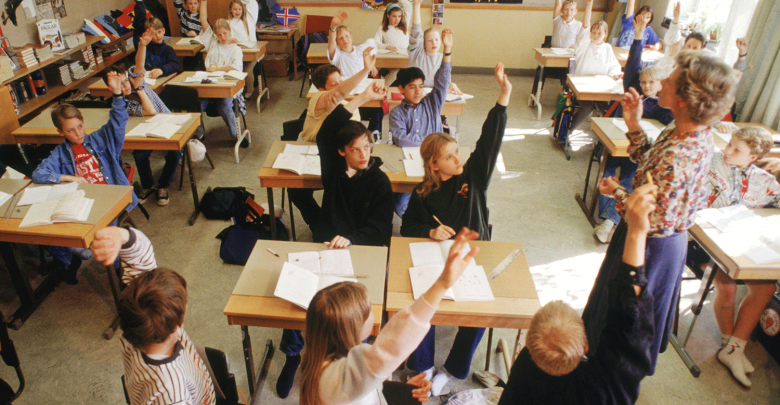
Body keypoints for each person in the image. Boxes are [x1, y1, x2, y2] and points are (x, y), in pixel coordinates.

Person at [584, 51, 739, 375]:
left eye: (670, 80)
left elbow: (649, 220)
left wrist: (618, 192)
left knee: (623, 325)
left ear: (683, 99)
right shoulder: (688, 130)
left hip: (650, 248)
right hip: (658, 240)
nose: (663, 81)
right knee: (618, 319)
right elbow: (652, 165)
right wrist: (633, 124)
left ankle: (604, 382)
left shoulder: (678, 153)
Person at [276, 82, 394, 398]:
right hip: (328, 245)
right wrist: (364, 97)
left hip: (362, 249)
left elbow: (380, 229)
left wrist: (351, 239)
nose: (363, 154)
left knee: (352, 311)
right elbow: (328, 129)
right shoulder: (335, 170)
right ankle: (292, 355)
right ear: (342, 151)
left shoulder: (380, 182)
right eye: (355, 149)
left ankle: (351, 357)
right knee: (301, 298)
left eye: (367, 147)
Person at [399, 63, 511, 395]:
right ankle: (422, 366)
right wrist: (429, 232)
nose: (458, 160)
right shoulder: (423, 192)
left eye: (457, 152)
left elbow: (489, 141)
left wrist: (503, 97)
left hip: (474, 257)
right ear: (434, 165)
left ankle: (451, 370)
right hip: (437, 260)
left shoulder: (473, 176)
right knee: (422, 302)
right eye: (449, 157)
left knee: (481, 314)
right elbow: (408, 226)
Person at [497, 183, 658, 405]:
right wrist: (637, 232)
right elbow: (628, 327)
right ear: (586, 347)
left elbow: (629, 331)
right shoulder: (602, 391)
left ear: (529, 343)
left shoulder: (526, 367)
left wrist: (635, 232)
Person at [299, 228, 480, 405]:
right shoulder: (337, 380)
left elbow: (363, 388)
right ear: (352, 328)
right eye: (369, 311)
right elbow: (392, 347)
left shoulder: (323, 363)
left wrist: (402, 390)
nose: (375, 312)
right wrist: (442, 284)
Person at [686, 127, 779, 387]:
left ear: (753, 157)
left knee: (767, 288)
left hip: (737, 243)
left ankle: (733, 349)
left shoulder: (763, 180)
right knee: (727, 287)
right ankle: (732, 348)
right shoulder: (710, 162)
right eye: (729, 144)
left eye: (737, 149)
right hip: (699, 243)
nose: (727, 151)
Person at [32, 72, 138, 284]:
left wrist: (117, 94)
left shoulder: (100, 138)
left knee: (108, 234)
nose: (78, 133)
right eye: (70, 131)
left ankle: (120, 273)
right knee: (41, 228)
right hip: (82, 202)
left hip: (109, 198)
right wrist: (67, 177)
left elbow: (118, 122)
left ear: (83, 122)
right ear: (61, 132)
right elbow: (38, 174)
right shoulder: (60, 153)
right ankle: (69, 259)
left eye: (79, 126)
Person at [593, 16, 674, 243]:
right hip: (613, 144)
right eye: (644, 82)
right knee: (608, 172)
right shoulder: (635, 90)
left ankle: (609, 222)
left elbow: (672, 121)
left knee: (630, 177)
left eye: (651, 83)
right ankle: (611, 219)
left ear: (661, 85)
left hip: (636, 152)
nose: (646, 86)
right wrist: (638, 36)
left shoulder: (662, 107)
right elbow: (632, 65)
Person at [289, 49, 377, 228]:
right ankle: (317, 223)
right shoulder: (317, 99)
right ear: (322, 89)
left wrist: (335, 114)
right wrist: (365, 71)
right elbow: (338, 94)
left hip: (334, 158)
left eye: (340, 81)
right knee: (295, 190)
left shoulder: (350, 108)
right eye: (333, 84)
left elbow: (351, 136)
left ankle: (331, 222)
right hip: (310, 154)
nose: (340, 86)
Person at [388, 29, 452, 217]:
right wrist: (430, 141)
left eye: (421, 87)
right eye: (412, 87)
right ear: (401, 89)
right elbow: (400, 138)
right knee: (400, 205)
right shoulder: (397, 113)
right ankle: (418, 224)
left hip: (435, 166)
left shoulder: (433, 102)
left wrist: (447, 50)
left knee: (442, 203)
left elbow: (443, 80)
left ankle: (428, 223)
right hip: (410, 166)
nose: (418, 92)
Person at [198, 0, 247, 148]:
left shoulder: (236, 49)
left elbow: (236, 68)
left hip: (226, 87)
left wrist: (217, 69)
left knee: (225, 105)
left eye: (225, 33)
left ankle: (235, 135)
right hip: (209, 85)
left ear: (230, 31)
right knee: (197, 104)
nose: (223, 37)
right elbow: (203, 20)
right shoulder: (212, 43)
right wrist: (203, 2)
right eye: (219, 35)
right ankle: (199, 134)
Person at [568, 0, 621, 132]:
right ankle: (568, 131)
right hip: (582, 88)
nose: (595, 35)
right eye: (593, 32)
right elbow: (585, 27)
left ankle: (604, 136)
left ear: (605, 34)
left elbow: (614, 66)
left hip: (600, 90)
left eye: (599, 33)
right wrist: (589, 5)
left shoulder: (607, 48)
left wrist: (615, 73)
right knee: (587, 107)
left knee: (607, 109)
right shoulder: (584, 46)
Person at [327, 11, 383, 134]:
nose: (344, 39)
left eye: (347, 36)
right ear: (337, 42)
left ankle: (373, 133)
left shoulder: (361, 50)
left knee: (379, 109)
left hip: (363, 93)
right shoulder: (337, 55)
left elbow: (372, 44)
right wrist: (333, 27)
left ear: (351, 37)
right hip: (346, 97)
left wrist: (372, 65)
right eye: (340, 38)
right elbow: (331, 47)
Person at [408, 0, 462, 94]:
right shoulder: (417, 52)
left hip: (434, 95)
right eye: (430, 40)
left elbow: (445, 81)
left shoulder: (442, 57)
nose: (434, 43)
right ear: (423, 43)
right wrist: (417, 4)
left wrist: (451, 85)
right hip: (415, 94)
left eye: (437, 40)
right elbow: (416, 29)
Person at [132, 0, 181, 79]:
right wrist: (139, 2)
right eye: (153, 34)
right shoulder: (144, 46)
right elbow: (139, 23)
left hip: (162, 81)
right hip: (146, 81)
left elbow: (176, 65)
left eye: (159, 32)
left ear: (163, 30)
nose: (158, 36)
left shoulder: (168, 50)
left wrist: (161, 70)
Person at [227, 0, 260, 98]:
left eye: (239, 9)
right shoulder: (228, 23)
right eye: (234, 9)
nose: (237, 11)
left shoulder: (249, 21)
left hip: (250, 53)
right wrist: (229, 40)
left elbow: (251, 2)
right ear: (230, 10)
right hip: (235, 54)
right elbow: (222, 38)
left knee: (247, 71)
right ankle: (236, 91)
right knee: (233, 70)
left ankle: (250, 90)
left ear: (243, 9)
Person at [373, 1, 410, 85]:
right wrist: (386, 46)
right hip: (392, 58)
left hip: (406, 57)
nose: (397, 19)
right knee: (395, 72)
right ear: (388, 15)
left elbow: (408, 6)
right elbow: (375, 43)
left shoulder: (404, 25)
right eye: (394, 16)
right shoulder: (382, 28)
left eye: (399, 16)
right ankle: (381, 88)